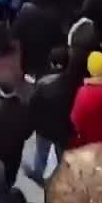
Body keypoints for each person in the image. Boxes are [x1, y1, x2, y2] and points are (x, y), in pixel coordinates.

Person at [25, 46, 76, 184]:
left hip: (44, 128)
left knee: (41, 154)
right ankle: (65, 177)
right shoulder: (73, 81)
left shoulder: (43, 83)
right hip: (63, 128)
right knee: (63, 155)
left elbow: (34, 106)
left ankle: (38, 173)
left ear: (51, 64)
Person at [12, 0, 63, 81]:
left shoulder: (25, 11)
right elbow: (59, 36)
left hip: (29, 48)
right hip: (46, 49)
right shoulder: (53, 12)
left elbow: (15, 31)